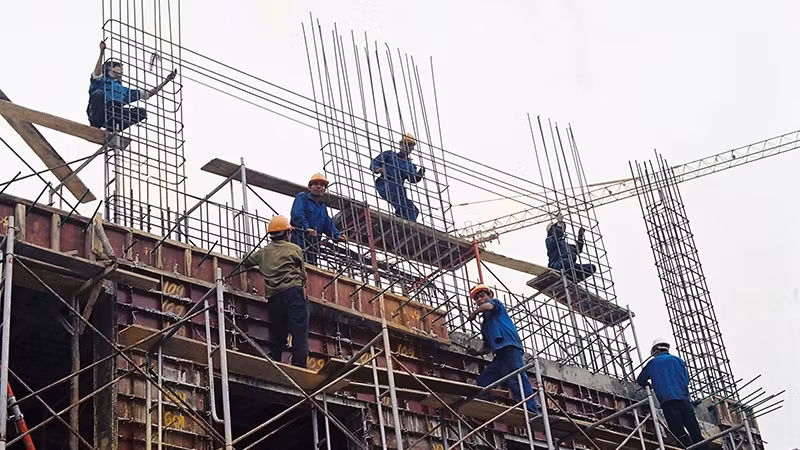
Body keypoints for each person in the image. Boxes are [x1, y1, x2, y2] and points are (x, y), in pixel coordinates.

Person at [242, 215, 309, 368]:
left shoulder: (263, 252)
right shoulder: (295, 249)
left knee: (278, 335)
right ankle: (299, 366)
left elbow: (246, 261)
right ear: (287, 234)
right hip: (294, 294)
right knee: (299, 332)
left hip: (274, 297)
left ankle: (275, 364)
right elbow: (303, 275)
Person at [467, 284, 539, 414]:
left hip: (510, 349)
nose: (479, 300)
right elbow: (487, 347)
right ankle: (489, 401)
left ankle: (531, 410)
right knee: (483, 381)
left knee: (516, 379)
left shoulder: (496, 305)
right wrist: (476, 352)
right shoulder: (485, 325)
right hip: (500, 356)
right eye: (476, 298)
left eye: (482, 296)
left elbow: (488, 306)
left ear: (489, 295)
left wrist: (474, 312)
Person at [87, 39, 177, 131]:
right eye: (119, 68)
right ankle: (95, 125)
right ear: (110, 68)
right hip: (99, 110)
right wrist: (102, 52)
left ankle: (114, 128)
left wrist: (166, 81)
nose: (122, 70)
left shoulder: (123, 90)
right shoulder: (102, 81)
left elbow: (148, 93)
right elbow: (97, 74)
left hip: (112, 113)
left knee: (141, 112)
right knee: (99, 94)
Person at [637, 338, 706, 449]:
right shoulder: (679, 361)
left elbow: (640, 379)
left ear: (655, 351)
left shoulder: (653, 363)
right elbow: (686, 381)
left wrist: (648, 385)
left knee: (678, 432)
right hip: (684, 400)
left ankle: (688, 448)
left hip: (668, 401)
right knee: (694, 430)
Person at [290, 172, 345, 264]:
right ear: (309, 187)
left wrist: (337, 235)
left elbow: (328, 224)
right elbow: (297, 214)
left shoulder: (322, 207)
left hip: (313, 246)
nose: (319, 187)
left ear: (325, 189)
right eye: (315, 184)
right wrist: (306, 228)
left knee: (311, 266)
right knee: (297, 264)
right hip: (299, 240)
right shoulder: (302, 198)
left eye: (322, 185)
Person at [370, 132, 425, 221]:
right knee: (399, 194)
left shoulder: (410, 165)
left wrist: (419, 175)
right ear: (401, 144)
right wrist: (377, 169)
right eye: (407, 144)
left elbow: (412, 178)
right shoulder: (389, 155)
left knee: (413, 210)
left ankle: (406, 222)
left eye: (411, 145)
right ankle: (402, 216)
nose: (409, 147)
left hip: (399, 188)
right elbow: (374, 163)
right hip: (385, 183)